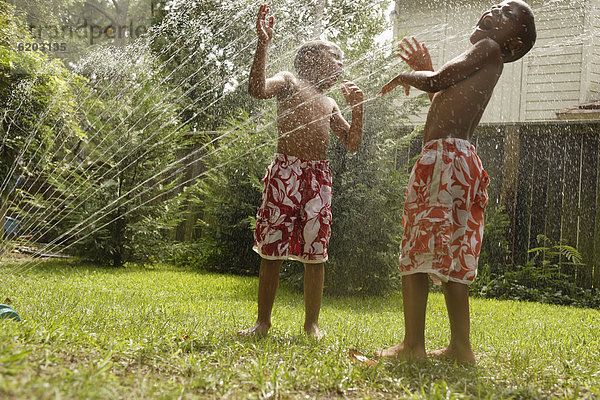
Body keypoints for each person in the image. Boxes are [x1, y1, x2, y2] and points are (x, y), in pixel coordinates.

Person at [376, 0, 536, 363]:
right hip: (460, 160)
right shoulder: (489, 58)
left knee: (417, 248)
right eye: (497, 5)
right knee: (452, 255)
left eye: (508, 13)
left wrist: (408, 76)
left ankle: (412, 346)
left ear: (514, 43)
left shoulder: (488, 48)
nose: (496, 10)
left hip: (443, 160)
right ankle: (460, 349)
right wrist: (425, 69)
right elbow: (441, 96)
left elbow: (435, 83)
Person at [238, 4, 364, 339]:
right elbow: (257, 89)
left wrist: (359, 110)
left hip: (317, 178)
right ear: (311, 59)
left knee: (316, 253)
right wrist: (263, 45)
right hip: (286, 172)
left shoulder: (329, 102)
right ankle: (262, 322)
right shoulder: (289, 82)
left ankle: (312, 325)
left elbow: (351, 143)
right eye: (335, 57)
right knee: (271, 248)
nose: (341, 64)